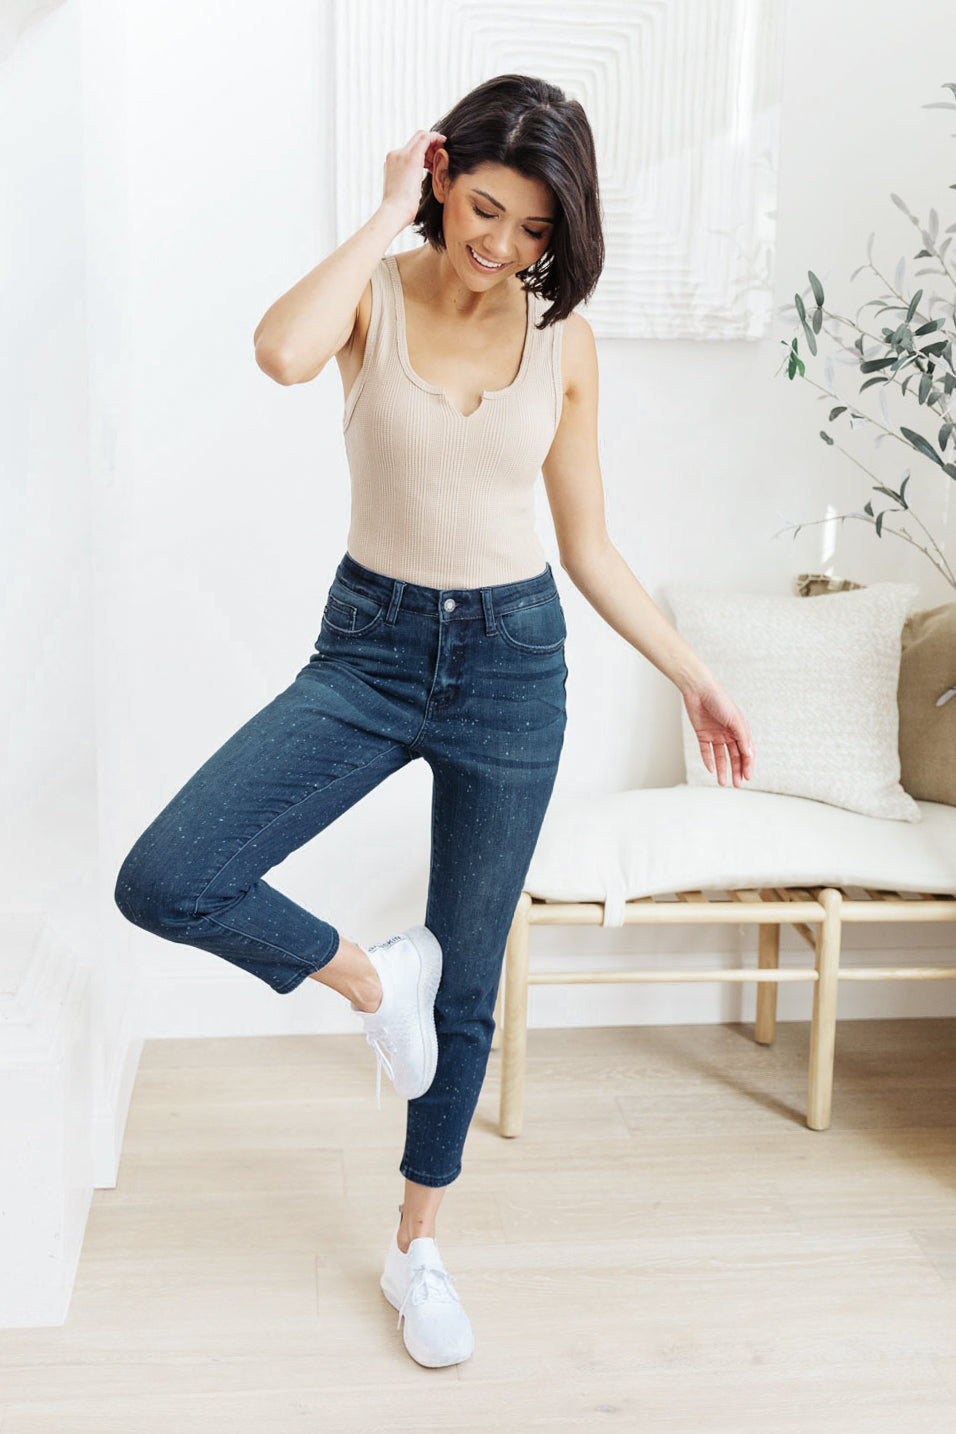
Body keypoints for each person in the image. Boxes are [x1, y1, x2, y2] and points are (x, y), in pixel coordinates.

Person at [113, 73, 755, 1370]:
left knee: (468, 981)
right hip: (368, 651)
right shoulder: (376, 294)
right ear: (443, 177)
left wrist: (691, 672)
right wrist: (384, 212)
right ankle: (372, 977)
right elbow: (279, 352)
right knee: (170, 875)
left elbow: (589, 543)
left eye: (535, 229)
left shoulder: (564, 344)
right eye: (483, 209)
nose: (502, 245)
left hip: (514, 665)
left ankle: (418, 1247)